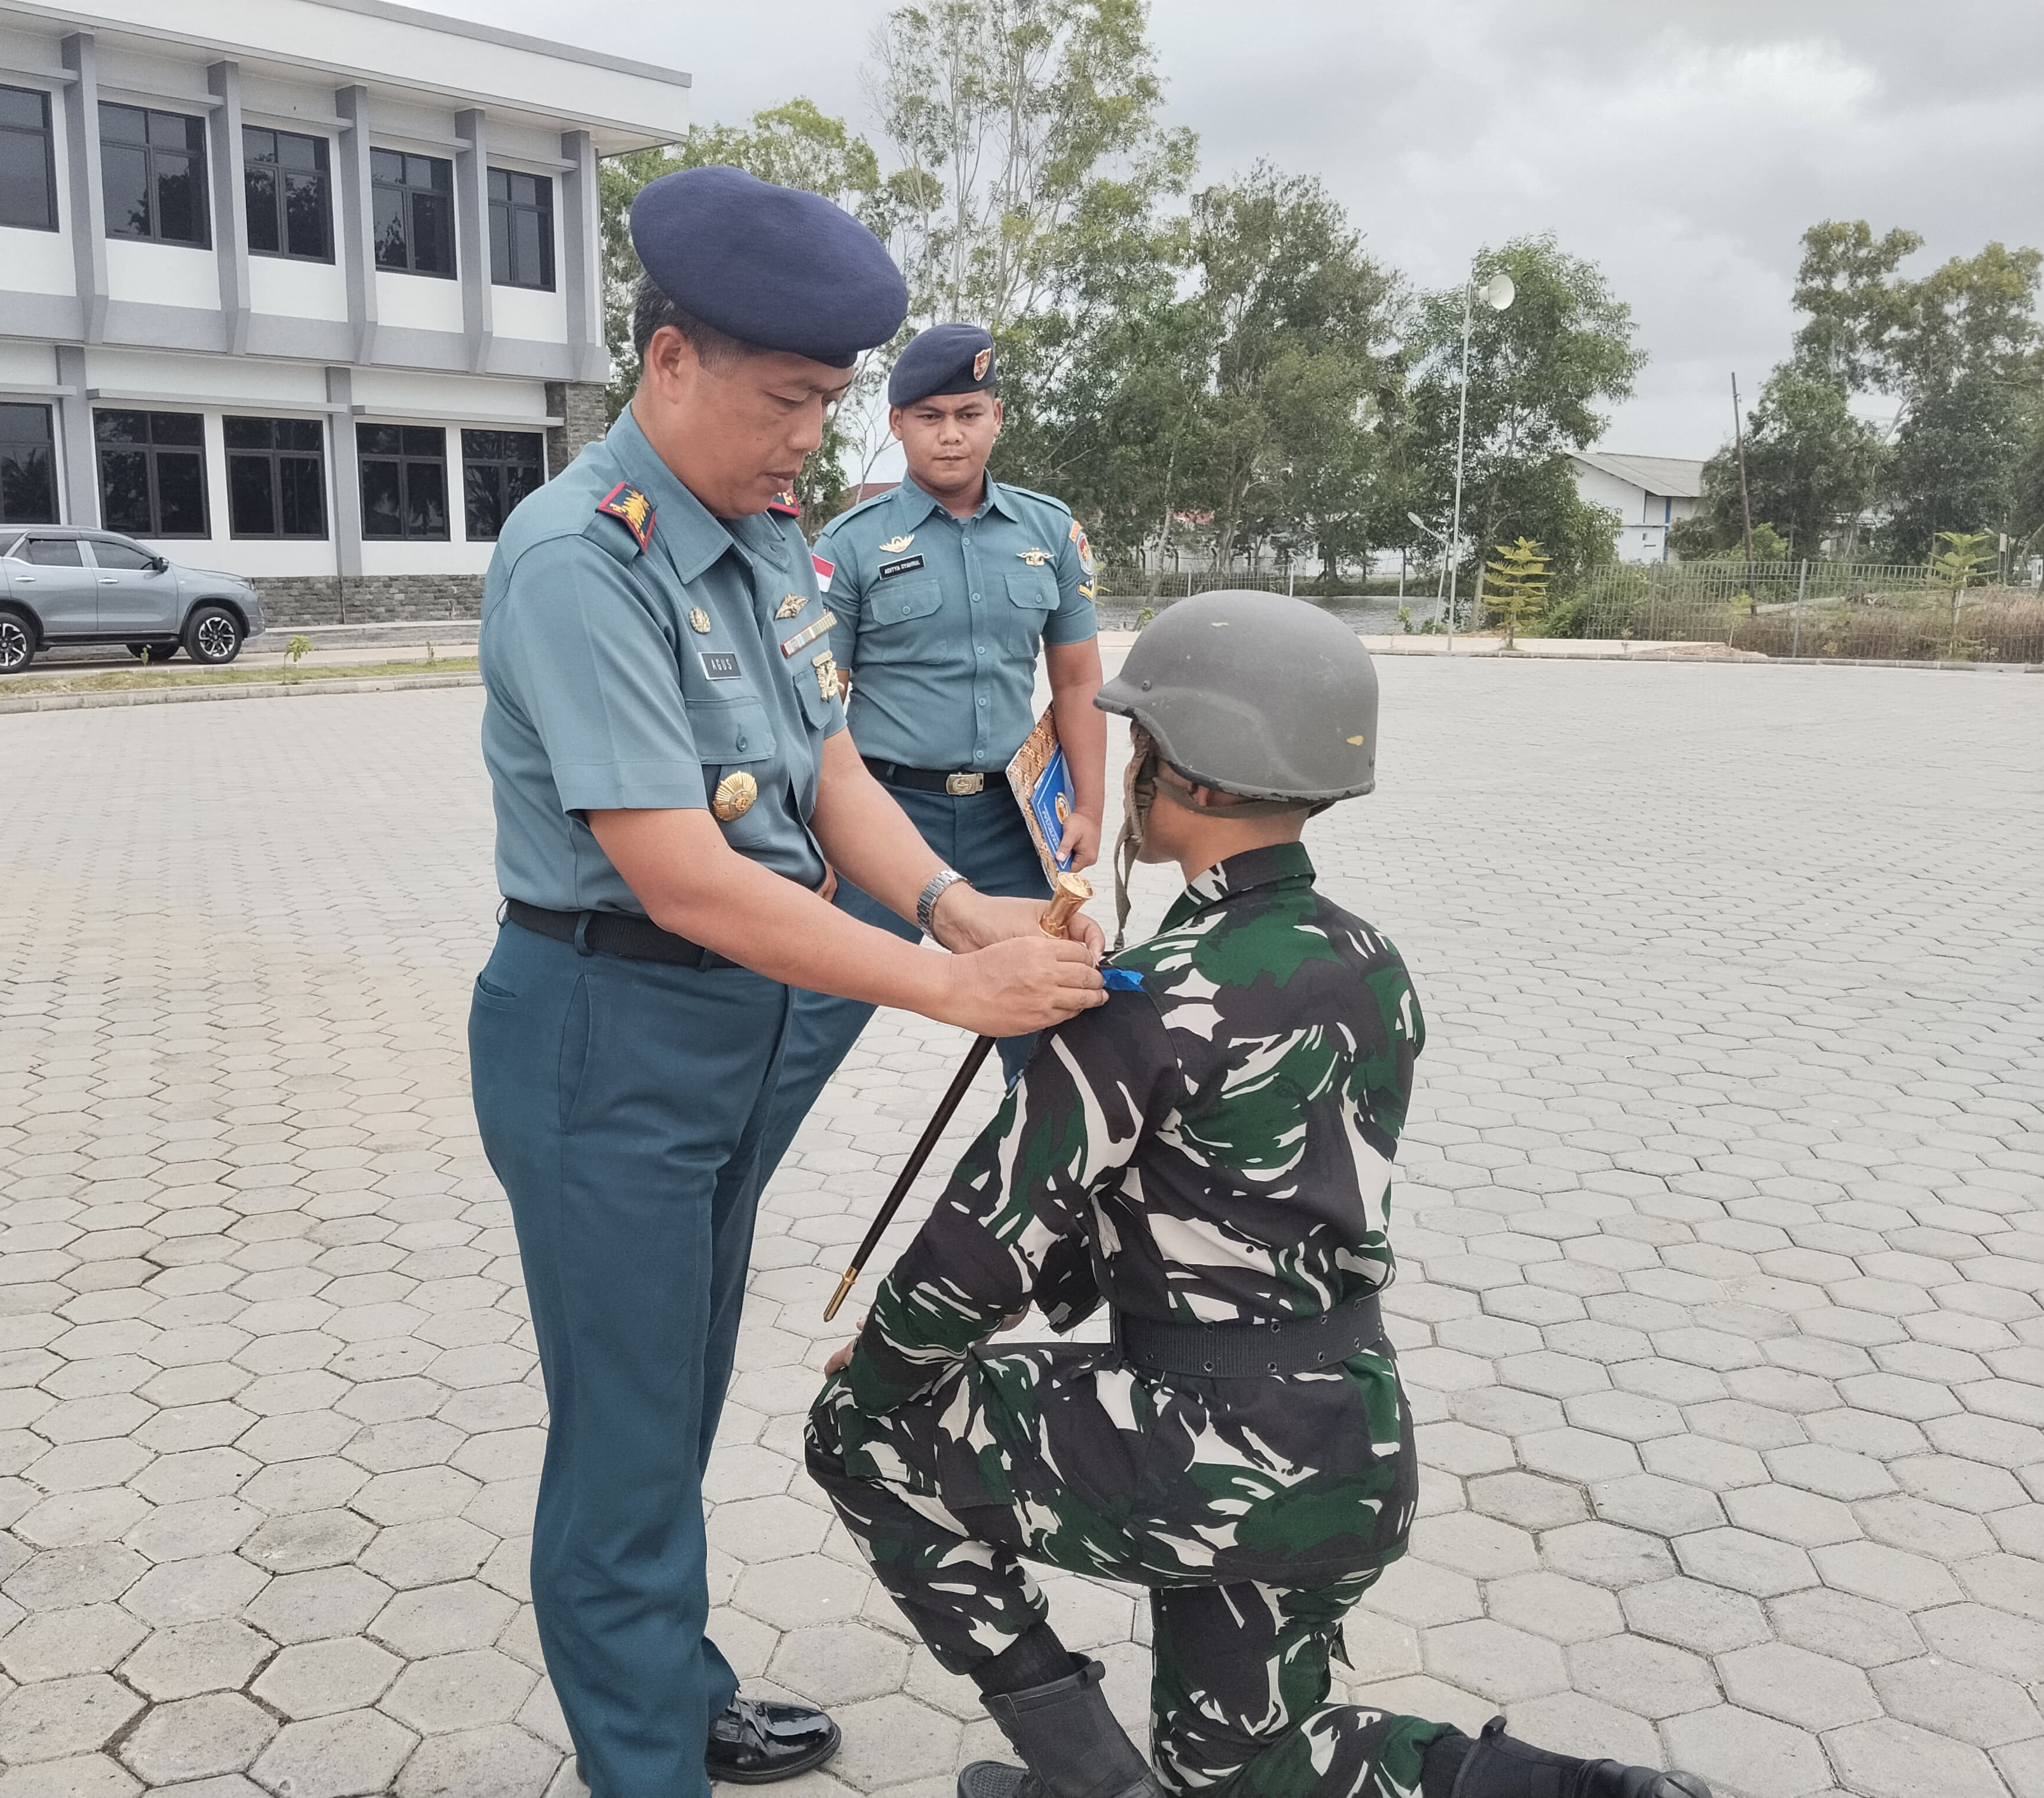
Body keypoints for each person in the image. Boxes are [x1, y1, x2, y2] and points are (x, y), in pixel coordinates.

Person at [805, 592, 1712, 1798]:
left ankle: (1087, 1781)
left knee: (853, 1436)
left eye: (1139, 741)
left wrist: (883, 1368)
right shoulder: (1371, 962)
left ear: (1179, 771)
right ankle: (1578, 1792)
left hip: (1198, 1444)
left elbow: (980, 1250)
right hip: (1351, 1442)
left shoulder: (1143, 998)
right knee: (1242, 1769)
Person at [468, 165, 1108, 1798]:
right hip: (607, 1035)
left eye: (828, 402)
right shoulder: (583, 560)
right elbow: (683, 875)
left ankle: (671, 1694)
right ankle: (646, 1767)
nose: (811, 439)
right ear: (671, 360)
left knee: (673, 1397)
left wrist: (961, 911)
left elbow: (826, 769)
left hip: (721, 1031)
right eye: (787, 400)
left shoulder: (756, 538)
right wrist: (947, 992)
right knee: (623, 1443)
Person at [756, 322, 1107, 1171]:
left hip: (1009, 823)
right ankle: (725, 1202)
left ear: (998, 418)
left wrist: (1090, 806)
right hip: (884, 818)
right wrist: (806, 839)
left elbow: (1076, 682)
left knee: (1057, 1031)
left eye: (969, 413)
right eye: (930, 416)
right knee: (802, 1027)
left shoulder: (1050, 533)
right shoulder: (849, 545)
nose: (951, 434)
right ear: (897, 424)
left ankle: (1053, 1212)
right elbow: (813, 705)